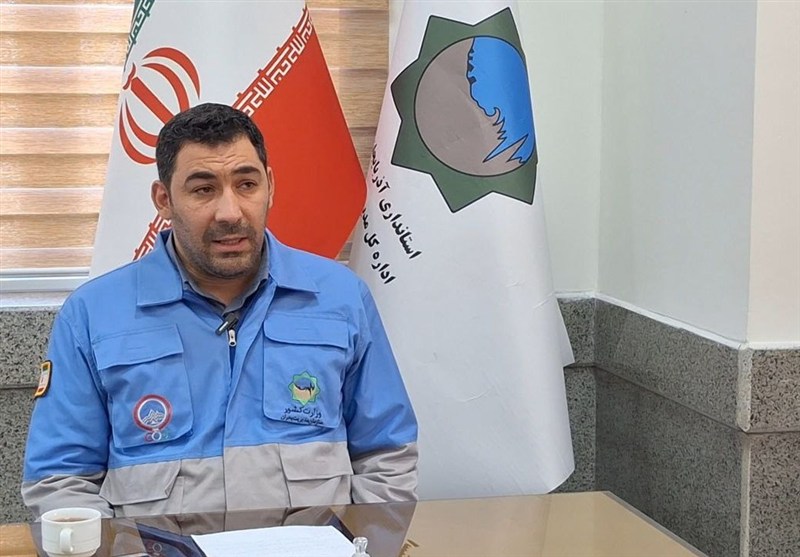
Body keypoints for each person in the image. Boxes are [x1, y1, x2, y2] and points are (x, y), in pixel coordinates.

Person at [22, 103, 418, 518]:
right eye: (203, 190)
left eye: (247, 184)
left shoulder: (341, 298)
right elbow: (60, 480)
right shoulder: (93, 314)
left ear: (270, 186)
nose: (230, 212)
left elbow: (387, 455)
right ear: (164, 200)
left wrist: (360, 541)